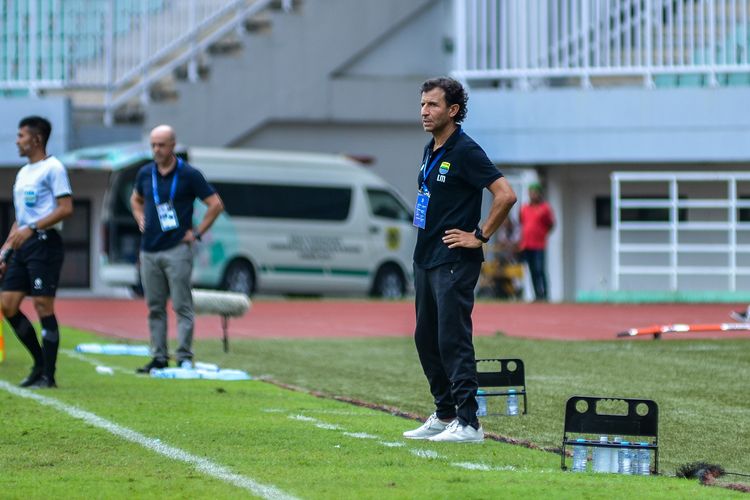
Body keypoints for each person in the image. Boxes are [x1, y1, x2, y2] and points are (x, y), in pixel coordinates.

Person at [403, 77, 517, 443]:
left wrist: (480, 235)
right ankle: (446, 412)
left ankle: (469, 423)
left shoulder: (466, 150)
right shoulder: (431, 148)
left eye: (432, 105)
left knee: (453, 338)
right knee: (426, 338)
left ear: (453, 110)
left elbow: (505, 194)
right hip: (426, 257)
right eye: (422, 104)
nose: (424, 111)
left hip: (454, 259)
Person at [130, 125, 224, 373]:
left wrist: (197, 232)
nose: (156, 150)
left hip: (177, 249)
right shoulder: (145, 173)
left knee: (182, 305)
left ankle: (184, 356)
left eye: (161, 145)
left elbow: (215, 204)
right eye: (153, 145)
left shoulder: (189, 174)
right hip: (149, 250)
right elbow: (135, 199)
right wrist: (139, 216)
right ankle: (159, 356)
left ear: (173, 145)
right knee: (154, 307)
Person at [0, 116, 73, 388]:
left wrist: (31, 228)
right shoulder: (22, 173)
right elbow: (21, 218)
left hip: (45, 244)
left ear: (36, 139)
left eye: (21, 135)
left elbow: (66, 208)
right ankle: (39, 363)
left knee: (43, 305)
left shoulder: (53, 168)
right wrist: (6, 248)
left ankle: (48, 375)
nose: (17, 141)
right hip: (22, 245)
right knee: (7, 305)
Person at [519, 183, 555, 301]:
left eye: (535, 192)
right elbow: (522, 223)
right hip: (527, 244)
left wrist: (542, 234)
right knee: (532, 270)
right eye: (531, 192)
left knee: (540, 269)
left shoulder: (545, 208)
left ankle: (544, 295)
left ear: (540, 193)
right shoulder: (524, 208)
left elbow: (551, 224)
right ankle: (537, 296)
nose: (533, 195)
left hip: (539, 245)